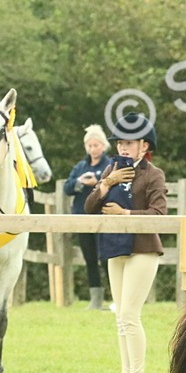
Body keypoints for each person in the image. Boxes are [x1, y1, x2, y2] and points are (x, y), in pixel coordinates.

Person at [85, 115, 166, 373]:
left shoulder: (154, 174)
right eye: (120, 143)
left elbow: (159, 213)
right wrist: (106, 184)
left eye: (128, 143)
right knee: (120, 316)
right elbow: (89, 207)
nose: (122, 148)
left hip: (143, 248)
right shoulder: (111, 170)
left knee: (130, 314)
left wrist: (126, 212)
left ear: (144, 146)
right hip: (115, 247)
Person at [63, 125, 112, 310]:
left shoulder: (109, 165)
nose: (93, 149)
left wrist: (97, 184)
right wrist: (78, 182)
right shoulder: (80, 167)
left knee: (106, 258)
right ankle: (96, 301)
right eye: (90, 145)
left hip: (103, 219)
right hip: (82, 219)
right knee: (90, 259)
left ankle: (116, 298)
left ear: (103, 145)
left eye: (96, 145)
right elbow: (66, 188)